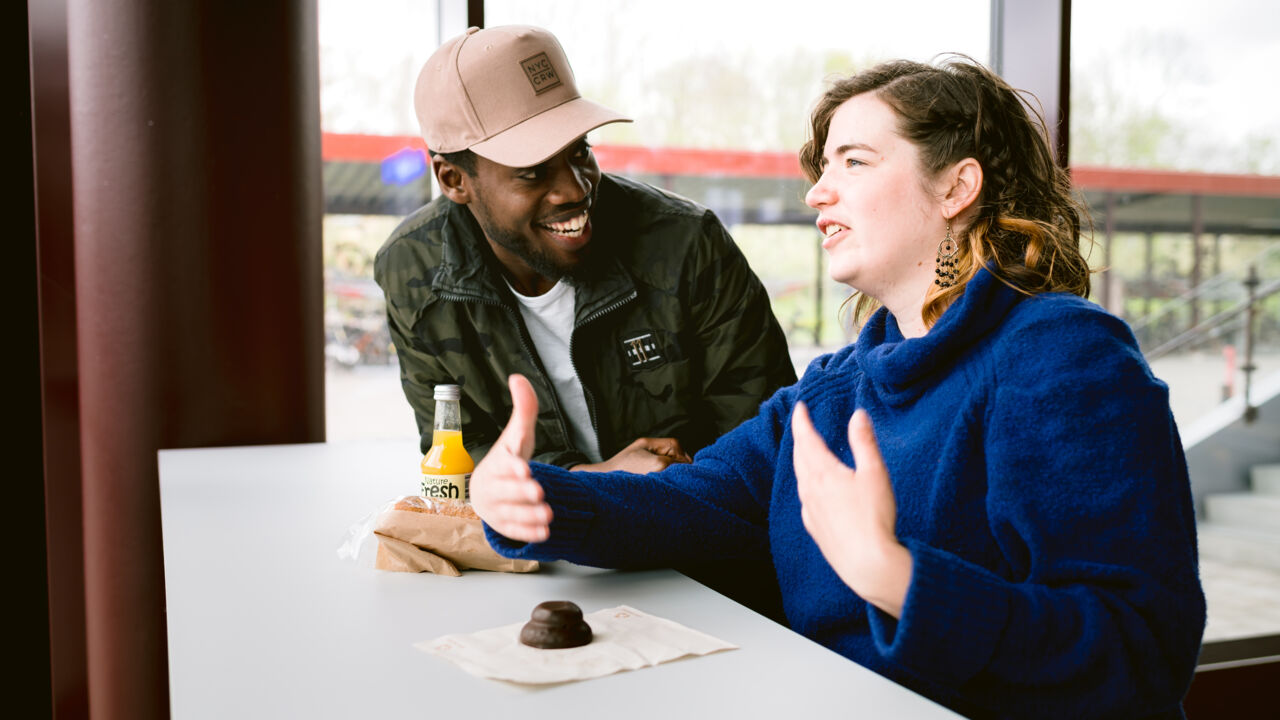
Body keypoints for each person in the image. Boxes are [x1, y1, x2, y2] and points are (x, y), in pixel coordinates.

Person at [470, 56, 1206, 719]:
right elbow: (700, 499)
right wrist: (539, 498)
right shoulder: (835, 389)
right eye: (823, 168)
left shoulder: (1064, 358)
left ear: (957, 187)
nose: (817, 193)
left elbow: (1140, 653)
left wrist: (897, 578)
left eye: (854, 161)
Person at [374, 24, 796, 475]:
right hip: (531, 520)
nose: (575, 189)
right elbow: (458, 448)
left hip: (696, 514)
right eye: (533, 171)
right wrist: (592, 483)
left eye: (579, 152)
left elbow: (767, 440)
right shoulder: (412, 270)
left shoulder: (688, 245)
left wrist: (658, 492)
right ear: (454, 180)